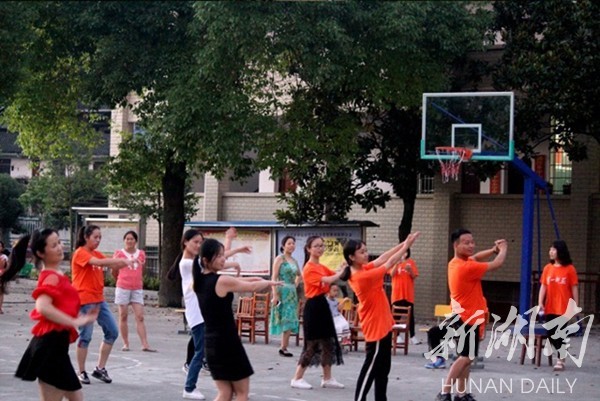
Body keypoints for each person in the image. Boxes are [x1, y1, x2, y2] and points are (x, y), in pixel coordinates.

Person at [193, 238, 282, 401]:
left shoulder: (200, 282)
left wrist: (258, 280)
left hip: (211, 342)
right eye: (219, 256)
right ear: (206, 260)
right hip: (227, 342)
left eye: (223, 255)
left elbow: (241, 282)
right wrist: (269, 283)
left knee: (225, 393)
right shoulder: (221, 281)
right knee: (242, 394)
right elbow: (250, 287)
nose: (223, 259)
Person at [15, 229, 98, 401]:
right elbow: (42, 306)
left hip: (57, 345)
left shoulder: (57, 274)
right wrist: (73, 321)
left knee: (77, 398)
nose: (60, 247)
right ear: (41, 253)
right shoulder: (50, 277)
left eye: (59, 242)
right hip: (50, 346)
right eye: (54, 245)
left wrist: (80, 318)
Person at [341, 232, 420, 401]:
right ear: (352, 257)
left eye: (366, 250)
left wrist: (403, 243)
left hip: (383, 322)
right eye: (362, 252)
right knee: (371, 366)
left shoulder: (363, 268)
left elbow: (383, 257)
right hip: (375, 325)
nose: (366, 254)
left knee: (383, 368)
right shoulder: (362, 276)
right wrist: (406, 246)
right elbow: (389, 262)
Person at [436, 229, 507, 401]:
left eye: (472, 242)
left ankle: (461, 393)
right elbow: (497, 264)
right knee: (467, 357)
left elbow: (476, 257)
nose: (471, 245)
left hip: (462, 317)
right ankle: (444, 392)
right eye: (466, 243)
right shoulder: (466, 267)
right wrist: (503, 249)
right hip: (467, 319)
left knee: (465, 357)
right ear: (456, 245)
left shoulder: (456, 263)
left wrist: (492, 250)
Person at [71, 225, 139, 385]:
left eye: (100, 237)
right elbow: (100, 262)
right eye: (95, 237)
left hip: (98, 299)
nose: (98, 240)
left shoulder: (96, 253)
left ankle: (100, 368)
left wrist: (128, 261)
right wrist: (122, 260)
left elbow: (111, 264)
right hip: (84, 300)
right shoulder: (80, 253)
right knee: (85, 336)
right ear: (86, 237)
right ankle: (81, 371)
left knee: (112, 332)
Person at [290, 235, 346, 390]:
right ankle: (297, 378)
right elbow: (328, 280)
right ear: (308, 249)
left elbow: (334, 275)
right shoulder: (309, 268)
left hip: (322, 305)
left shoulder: (321, 266)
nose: (320, 248)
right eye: (316, 246)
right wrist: (341, 271)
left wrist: (342, 267)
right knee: (312, 344)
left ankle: (327, 378)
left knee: (328, 342)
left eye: (321, 245)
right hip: (313, 307)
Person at [538, 239, 579, 372]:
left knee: (559, 333)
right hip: (550, 306)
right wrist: (540, 302)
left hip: (564, 307)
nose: (550, 251)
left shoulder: (570, 269)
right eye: (550, 249)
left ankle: (560, 360)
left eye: (553, 249)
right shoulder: (547, 268)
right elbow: (543, 286)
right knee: (551, 333)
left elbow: (574, 288)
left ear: (560, 251)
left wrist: (575, 305)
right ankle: (562, 354)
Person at [112, 230, 155, 352]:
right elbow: (114, 270)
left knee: (140, 316)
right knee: (123, 315)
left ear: (135, 241)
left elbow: (142, 269)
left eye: (132, 239)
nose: (129, 241)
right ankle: (125, 343)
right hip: (123, 286)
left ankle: (145, 344)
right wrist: (119, 279)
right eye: (127, 239)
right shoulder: (119, 254)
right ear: (124, 240)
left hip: (137, 288)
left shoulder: (141, 254)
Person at [269, 235, 301, 357]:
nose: (292, 245)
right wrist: (275, 294)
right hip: (282, 291)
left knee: (291, 318)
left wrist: (295, 285)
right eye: (289, 243)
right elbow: (274, 277)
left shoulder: (294, 261)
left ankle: (284, 347)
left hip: (292, 293)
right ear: (283, 246)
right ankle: (283, 347)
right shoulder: (280, 259)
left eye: (293, 243)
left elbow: (299, 275)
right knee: (285, 318)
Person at [390, 248, 421, 345]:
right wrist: (397, 264)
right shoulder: (395, 261)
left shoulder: (411, 262)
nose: (404, 254)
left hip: (408, 294)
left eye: (405, 252)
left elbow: (414, 276)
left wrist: (410, 270)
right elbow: (391, 274)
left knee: (410, 316)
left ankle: (412, 336)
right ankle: (397, 335)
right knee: (396, 316)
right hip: (397, 294)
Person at [0, 242, 8, 314]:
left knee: (0, 292)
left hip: (1, 275)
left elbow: (3, 267)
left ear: (2, 248)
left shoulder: (4, 257)